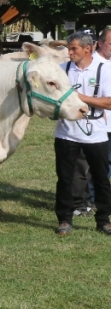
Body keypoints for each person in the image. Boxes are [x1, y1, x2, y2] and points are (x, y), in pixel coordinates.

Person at [54, 32, 111, 236]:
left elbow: (109, 102)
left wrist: (80, 98)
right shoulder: (62, 70)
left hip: (95, 133)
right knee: (65, 179)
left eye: (73, 49)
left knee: (101, 178)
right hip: (66, 133)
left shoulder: (104, 69)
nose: (69, 53)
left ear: (88, 49)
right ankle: (64, 219)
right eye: (68, 48)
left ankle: (103, 220)